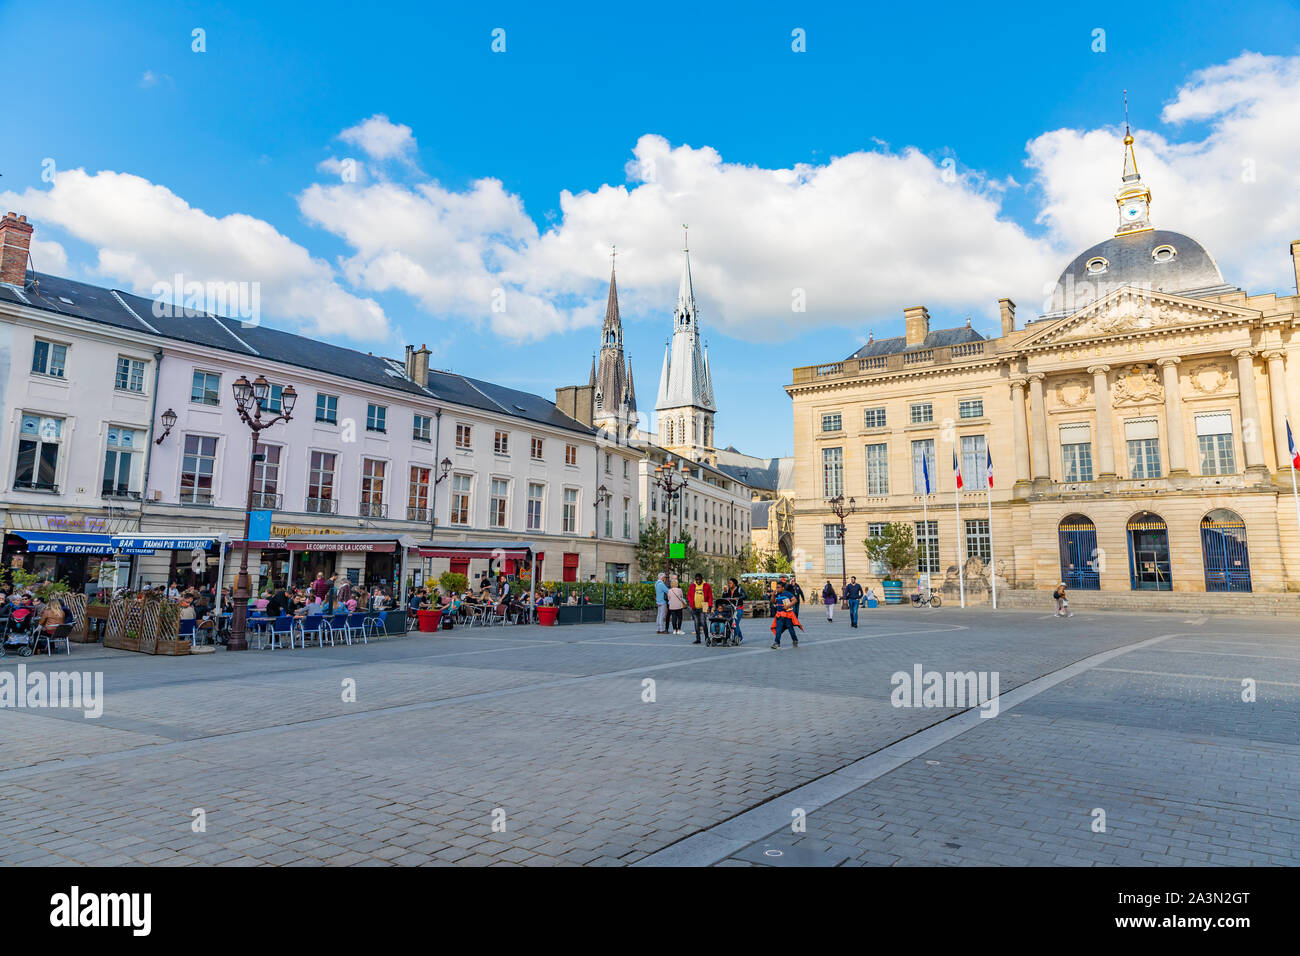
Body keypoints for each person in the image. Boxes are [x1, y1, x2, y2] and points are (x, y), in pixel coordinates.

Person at [687, 573, 713, 645]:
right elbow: (689, 595)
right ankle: (698, 639)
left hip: (704, 605)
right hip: (694, 607)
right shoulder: (692, 585)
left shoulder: (706, 585)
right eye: (696, 579)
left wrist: (710, 606)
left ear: (702, 579)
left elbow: (710, 596)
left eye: (699, 579)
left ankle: (707, 638)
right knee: (696, 623)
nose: (698, 581)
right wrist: (691, 603)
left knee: (703, 622)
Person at [720, 578, 745, 643]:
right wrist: (725, 592)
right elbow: (723, 598)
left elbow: (745, 596)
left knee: (736, 623)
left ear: (734, 584)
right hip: (731, 609)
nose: (729, 584)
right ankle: (740, 637)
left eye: (730, 583)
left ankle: (735, 638)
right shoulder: (728, 590)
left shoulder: (739, 589)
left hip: (739, 608)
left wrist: (738, 598)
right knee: (732, 623)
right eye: (729, 583)